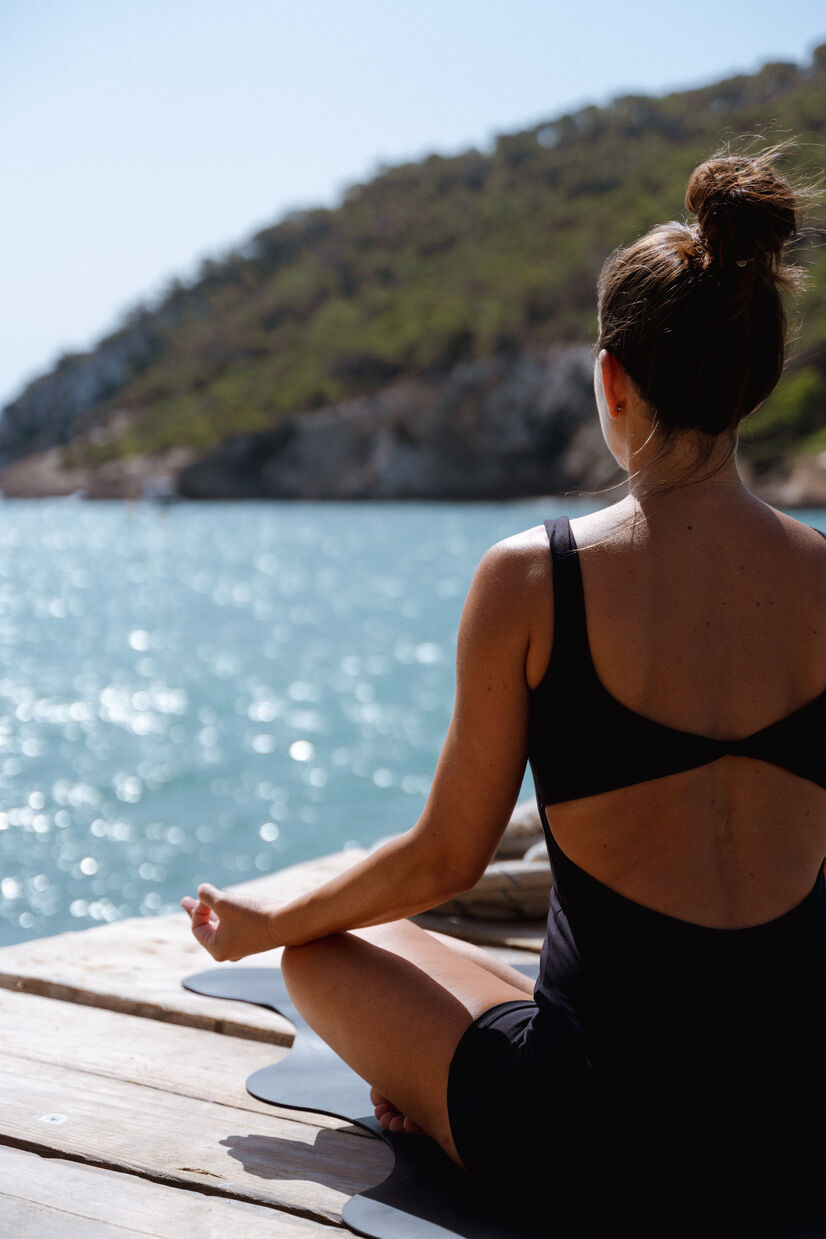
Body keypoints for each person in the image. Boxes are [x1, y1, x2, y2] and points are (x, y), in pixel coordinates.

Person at [182, 147, 826, 1236]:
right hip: (794, 1126)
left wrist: (263, 921)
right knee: (477, 966)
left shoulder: (536, 578)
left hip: (591, 1142)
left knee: (324, 955)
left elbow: (446, 861)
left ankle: (444, 1110)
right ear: (755, 383)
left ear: (610, 381)